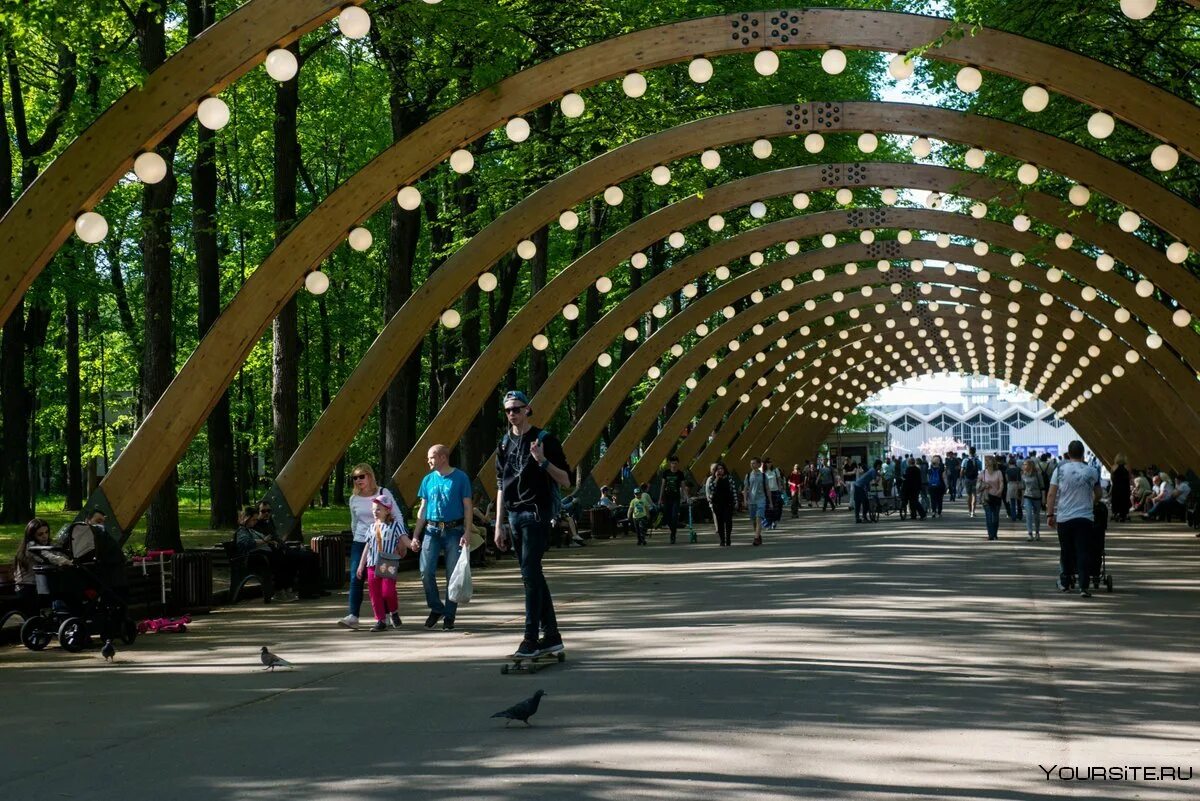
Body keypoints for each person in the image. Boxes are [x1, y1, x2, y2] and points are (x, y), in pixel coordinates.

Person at [495, 389, 572, 659]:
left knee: (530, 575)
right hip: (514, 516)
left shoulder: (544, 439)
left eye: (517, 408)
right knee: (533, 575)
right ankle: (551, 636)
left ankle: (530, 637)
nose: (512, 414)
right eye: (508, 410)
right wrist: (498, 524)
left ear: (528, 409)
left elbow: (566, 480)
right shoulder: (504, 443)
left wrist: (542, 461)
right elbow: (500, 486)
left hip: (536, 514)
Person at [411, 444, 473, 631]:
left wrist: (467, 531)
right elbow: (422, 509)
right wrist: (415, 535)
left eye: (431, 457)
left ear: (443, 457)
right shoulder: (428, 480)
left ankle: (449, 615)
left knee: (452, 575)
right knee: (425, 571)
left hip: (454, 530)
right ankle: (437, 608)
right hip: (431, 530)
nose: (428, 460)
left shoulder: (460, 478)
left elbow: (468, 506)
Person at [338, 464, 398, 629]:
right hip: (361, 540)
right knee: (355, 576)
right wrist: (357, 536)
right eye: (355, 478)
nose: (358, 480)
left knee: (383, 579)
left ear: (370, 476)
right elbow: (354, 522)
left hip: (382, 541)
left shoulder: (383, 493)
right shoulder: (353, 499)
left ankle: (386, 614)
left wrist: (400, 539)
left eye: (361, 476)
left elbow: (397, 516)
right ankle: (353, 615)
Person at [1046, 441, 1102, 596]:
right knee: (1083, 551)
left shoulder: (1060, 470)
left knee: (1066, 551)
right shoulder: (1092, 471)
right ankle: (1084, 586)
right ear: (1083, 453)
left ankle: (1065, 582)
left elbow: (1051, 494)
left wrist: (1050, 514)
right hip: (1085, 517)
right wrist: (1093, 501)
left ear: (1069, 454)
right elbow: (1099, 494)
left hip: (1064, 518)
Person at [356, 494, 413, 631]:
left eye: (379, 509)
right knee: (375, 594)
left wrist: (413, 545)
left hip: (388, 563)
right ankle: (380, 620)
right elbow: (367, 547)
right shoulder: (371, 528)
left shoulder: (395, 526)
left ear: (387, 510)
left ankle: (393, 611)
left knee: (388, 592)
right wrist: (361, 565)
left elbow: (405, 540)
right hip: (372, 564)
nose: (375, 512)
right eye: (374, 509)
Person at [13, 518, 70, 614]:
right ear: (32, 536)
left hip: (40, 587)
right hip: (27, 588)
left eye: (46, 532)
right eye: (40, 534)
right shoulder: (31, 547)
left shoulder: (47, 544)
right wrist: (68, 562)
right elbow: (48, 557)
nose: (45, 536)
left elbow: (59, 554)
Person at [657, 455, 689, 544]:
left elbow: (683, 486)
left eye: (675, 463)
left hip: (676, 498)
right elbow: (663, 486)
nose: (674, 465)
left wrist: (687, 497)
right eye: (672, 463)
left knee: (674, 516)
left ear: (677, 464)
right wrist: (660, 499)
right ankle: (673, 529)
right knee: (667, 517)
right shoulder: (666, 473)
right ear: (670, 464)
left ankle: (673, 534)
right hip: (667, 498)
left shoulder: (680, 474)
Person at [709, 461, 737, 546]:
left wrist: (736, 501)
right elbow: (711, 489)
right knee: (720, 521)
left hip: (728, 502)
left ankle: (728, 538)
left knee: (728, 521)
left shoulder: (729, 478)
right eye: (718, 469)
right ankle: (722, 539)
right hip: (717, 503)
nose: (720, 470)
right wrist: (717, 479)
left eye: (721, 468)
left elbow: (733, 490)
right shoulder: (713, 479)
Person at [978, 456, 1005, 541]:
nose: (987, 464)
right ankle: (990, 534)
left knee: (995, 517)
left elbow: (1001, 483)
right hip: (986, 497)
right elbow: (977, 486)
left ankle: (995, 533)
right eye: (986, 462)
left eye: (989, 462)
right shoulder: (983, 473)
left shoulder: (998, 472)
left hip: (996, 496)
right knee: (989, 516)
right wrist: (984, 485)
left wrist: (999, 491)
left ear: (993, 463)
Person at [743, 457, 766, 546]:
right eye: (751, 463)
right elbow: (745, 489)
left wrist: (770, 501)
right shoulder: (748, 475)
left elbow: (767, 489)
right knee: (754, 521)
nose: (752, 465)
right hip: (751, 501)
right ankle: (758, 535)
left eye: (754, 463)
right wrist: (745, 500)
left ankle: (756, 538)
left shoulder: (763, 476)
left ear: (759, 464)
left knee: (758, 518)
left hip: (761, 500)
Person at [1020, 458, 1043, 541]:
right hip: (1027, 496)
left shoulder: (1038, 474)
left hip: (1037, 496)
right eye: (1023, 464)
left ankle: (1037, 532)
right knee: (1028, 515)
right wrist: (1022, 500)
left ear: (1030, 465)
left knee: (1037, 516)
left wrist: (1043, 499)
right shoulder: (1023, 475)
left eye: (1025, 464)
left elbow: (1042, 487)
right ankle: (1030, 533)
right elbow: (1023, 488)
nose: (1024, 466)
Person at [762, 457, 784, 531]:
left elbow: (779, 479)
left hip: (775, 491)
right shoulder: (763, 471)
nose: (770, 463)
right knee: (767, 509)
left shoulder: (775, 470)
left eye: (771, 462)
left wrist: (780, 487)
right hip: (766, 492)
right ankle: (767, 523)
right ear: (765, 463)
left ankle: (774, 522)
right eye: (768, 462)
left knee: (775, 508)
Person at [1109, 454, 1131, 522]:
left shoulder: (1113, 467)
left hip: (1116, 486)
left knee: (1115, 500)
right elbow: (1129, 477)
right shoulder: (1128, 467)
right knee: (1124, 500)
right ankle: (1123, 515)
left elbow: (1111, 478)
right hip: (1125, 486)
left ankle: (1115, 514)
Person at [961, 448, 981, 518]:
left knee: (969, 495)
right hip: (975, 479)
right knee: (974, 495)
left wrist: (961, 478)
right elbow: (980, 469)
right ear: (975, 452)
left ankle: (969, 511)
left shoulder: (965, 460)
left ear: (969, 452)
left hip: (967, 479)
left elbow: (962, 470)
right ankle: (973, 511)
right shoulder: (977, 461)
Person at [1004, 456, 1023, 521]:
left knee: (1012, 502)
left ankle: (1013, 516)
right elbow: (1022, 477)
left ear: (1009, 463)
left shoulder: (1007, 470)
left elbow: (1007, 480)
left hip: (1010, 486)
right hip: (1018, 485)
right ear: (1015, 463)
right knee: (1019, 502)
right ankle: (1020, 515)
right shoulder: (1018, 469)